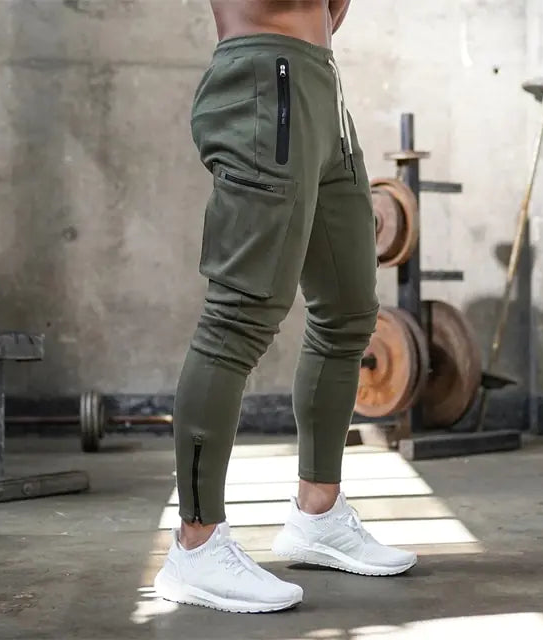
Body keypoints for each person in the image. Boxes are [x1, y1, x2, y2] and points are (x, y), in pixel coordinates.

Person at [154, 0, 417, 613]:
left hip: (321, 84)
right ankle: (196, 545)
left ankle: (317, 514)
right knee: (238, 318)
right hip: (262, 79)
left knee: (349, 313)